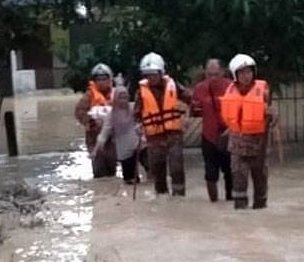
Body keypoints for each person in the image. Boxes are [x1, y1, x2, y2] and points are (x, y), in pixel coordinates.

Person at [221, 53, 276, 209]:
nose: (246, 76)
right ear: (235, 75)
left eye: (249, 71)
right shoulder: (230, 91)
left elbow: (270, 116)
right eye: (242, 72)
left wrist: (271, 114)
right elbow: (231, 119)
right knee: (239, 183)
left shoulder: (263, 91)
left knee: (260, 183)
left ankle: (260, 210)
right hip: (238, 147)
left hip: (258, 147)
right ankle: (240, 219)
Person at [134, 52, 193, 196]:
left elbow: (191, 100)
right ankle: (162, 197)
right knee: (157, 168)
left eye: (153, 74)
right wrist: (137, 126)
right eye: (147, 75)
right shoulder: (140, 92)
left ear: (161, 72)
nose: (151, 78)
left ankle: (179, 197)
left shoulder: (174, 86)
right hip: (154, 136)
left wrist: (188, 118)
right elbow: (136, 114)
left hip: (173, 134)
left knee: (176, 166)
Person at [191, 58, 233, 202]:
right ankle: (213, 204)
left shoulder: (232, 87)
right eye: (209, 74)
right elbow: (195, 110)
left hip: (228, 135)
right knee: (210, 173)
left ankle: (231, 202)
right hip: (209, 137)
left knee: (231, 172)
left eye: (215, 74)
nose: (212, 78)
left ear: (223, 72)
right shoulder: (200, 88)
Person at [74, 63, 116, 178]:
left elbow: (124, 112)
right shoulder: (89, 96)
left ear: (110, 79)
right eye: (98, 79)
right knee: (99, 169)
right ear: (94, 81)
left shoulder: (116, 95)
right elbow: (79, 112)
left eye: (104, 79)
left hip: (112, 138)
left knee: (112, 168)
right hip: (94, 137)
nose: (101, 82)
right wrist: (91, 121)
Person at [93, 86, 141, 184]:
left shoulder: (134, 108)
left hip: (137, 144)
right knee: (129, 177)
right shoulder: (111, 115)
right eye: (120, 97)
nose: (123, 100)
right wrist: (96, 149)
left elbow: (143, 120)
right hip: (123, 149)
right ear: (115, 99)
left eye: (125, 97)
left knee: (143, 171)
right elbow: (104, 133)